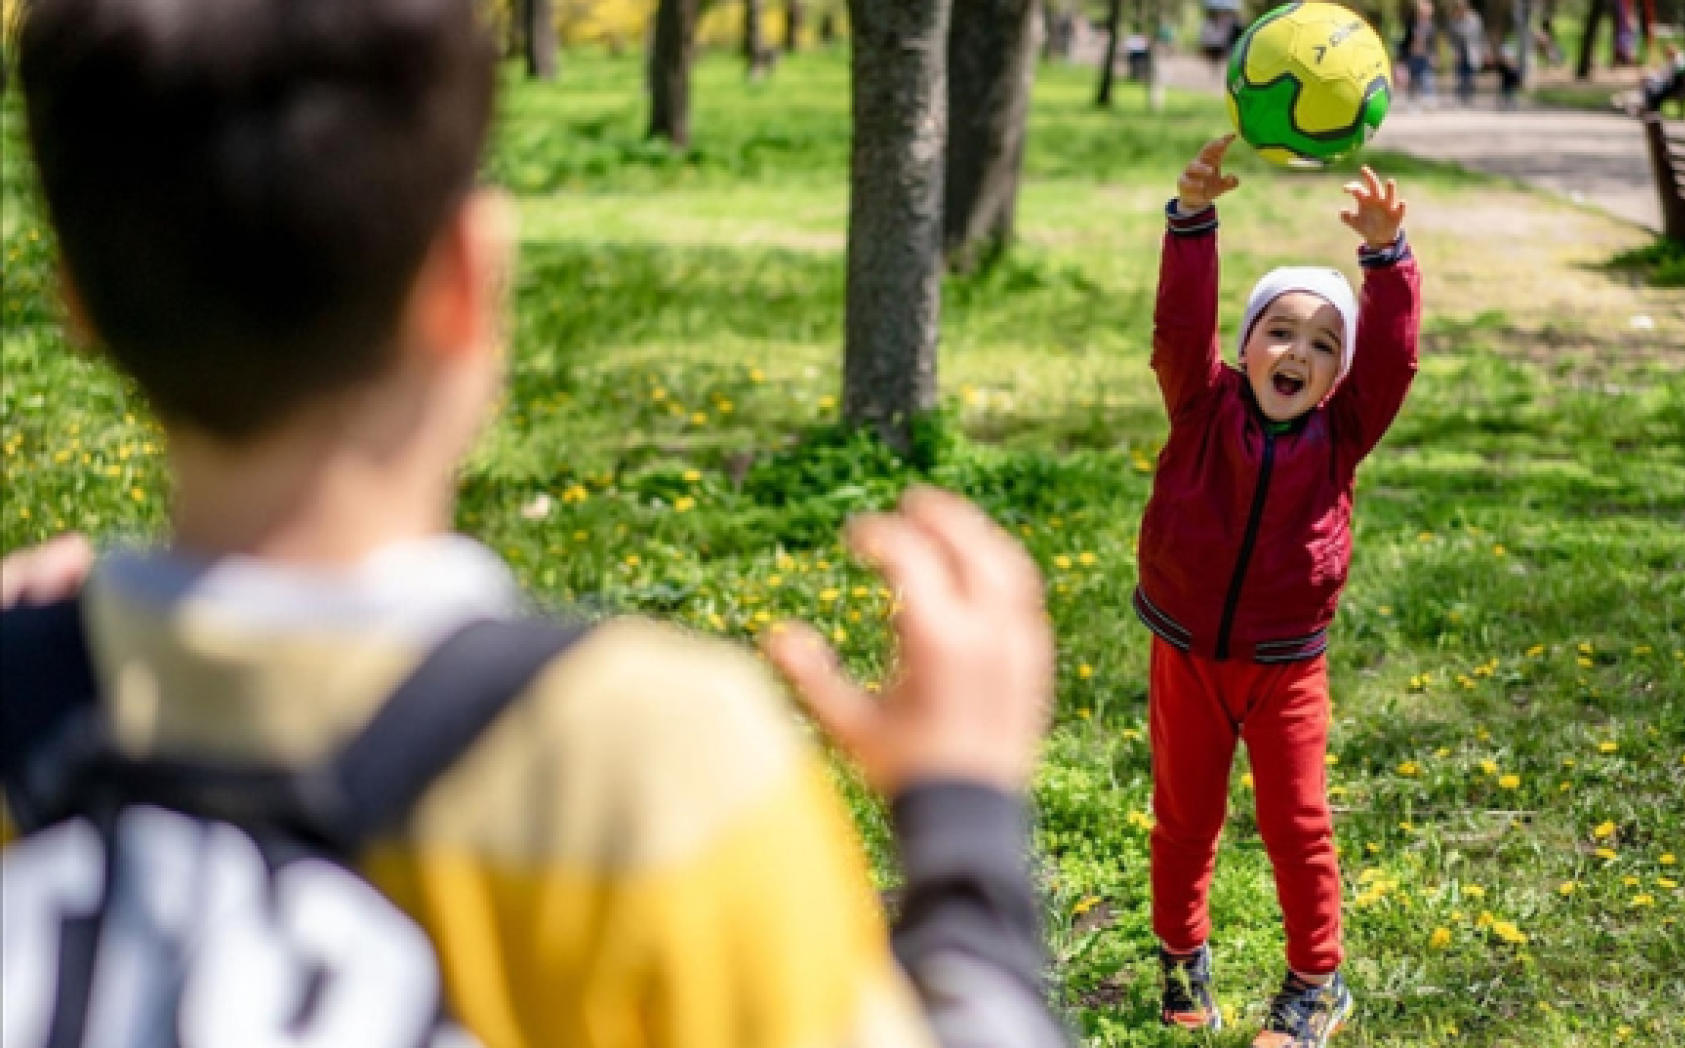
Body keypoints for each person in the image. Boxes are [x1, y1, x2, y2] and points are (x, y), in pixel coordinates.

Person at [3, 1, 1069, 1046]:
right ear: (470, 278)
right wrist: (962, 819)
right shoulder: (646, 768)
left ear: (77, 302)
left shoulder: (25, 717)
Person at [1136, 135, 1420, 1046]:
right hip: (1185, 650)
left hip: (1284, 666)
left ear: (1339, 376)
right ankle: (1181, 958)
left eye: (1322, 343)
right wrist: (1192, 221)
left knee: (1295, 823)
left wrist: (1384, 259)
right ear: (1247, 344)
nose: (1297, 350)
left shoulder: (1343, 433)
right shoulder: (1199, 403)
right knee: (1185, 817)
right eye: (1279, 331)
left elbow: (1394, 359)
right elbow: (1180, 325)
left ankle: (1315, 983)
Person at [1398, 0, 1439, 102]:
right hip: (1412, 56)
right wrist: (1402, 58)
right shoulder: (1411, 24)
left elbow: (1433, 43)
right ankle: (1412, 101)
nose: (1423, 13)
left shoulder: (1431, 26)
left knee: (1427, 78)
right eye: (1421, 11)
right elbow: (1405, 41)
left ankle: (1429, 99)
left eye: (1426, 11)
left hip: (1425, 56)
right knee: (1412, 80)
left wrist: (1434, 55)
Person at [1450, 0, 1487, 104]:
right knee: (1460, 76)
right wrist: (1454, 51)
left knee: (1471, 77)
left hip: (1472, 51)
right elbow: (1452, 39)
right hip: (1459, 52)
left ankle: (1469, 98)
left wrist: (1484, 51)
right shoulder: (1454, 20)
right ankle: (1461, 99)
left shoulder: (1475, 19)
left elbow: (1481, 36)